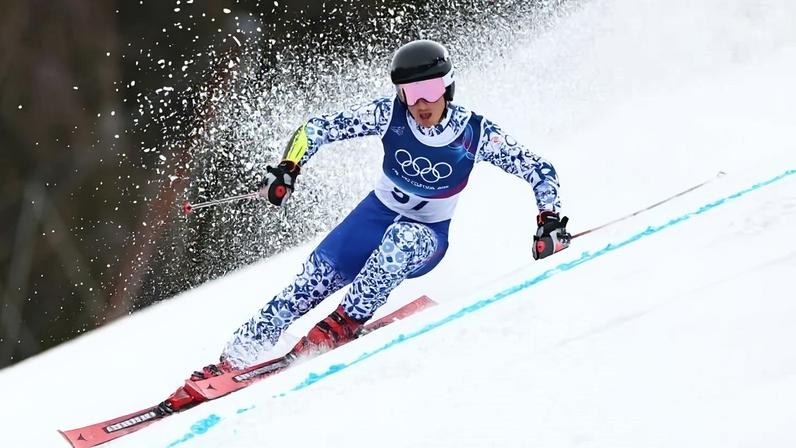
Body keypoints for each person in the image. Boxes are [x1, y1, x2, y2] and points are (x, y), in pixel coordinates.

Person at [194, 39, 569, 382]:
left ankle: (345, 321)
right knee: (310, 282)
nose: (421, 103)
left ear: (447, 87)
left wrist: (548, 219)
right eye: (410, 92)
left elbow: (538, 169)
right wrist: (289, 167)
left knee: (400, 240)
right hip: (373, 218)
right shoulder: (388, 114)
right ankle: (235, 359)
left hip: (426, 235)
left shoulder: (473, 132)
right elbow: (317, 128)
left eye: (430, 90)